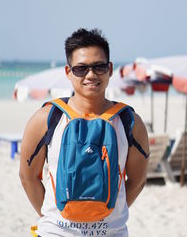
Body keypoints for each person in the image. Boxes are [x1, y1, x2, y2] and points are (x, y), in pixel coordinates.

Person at [19, 28, 149, 237]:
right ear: (68, 72)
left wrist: (109, 215)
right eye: (81, 68)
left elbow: (138, 179)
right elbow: (28, 177)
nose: (91, 75)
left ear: (110, 69)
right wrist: (54, 221)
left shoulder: (130, 122)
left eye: (99, 66)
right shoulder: (46, 118)